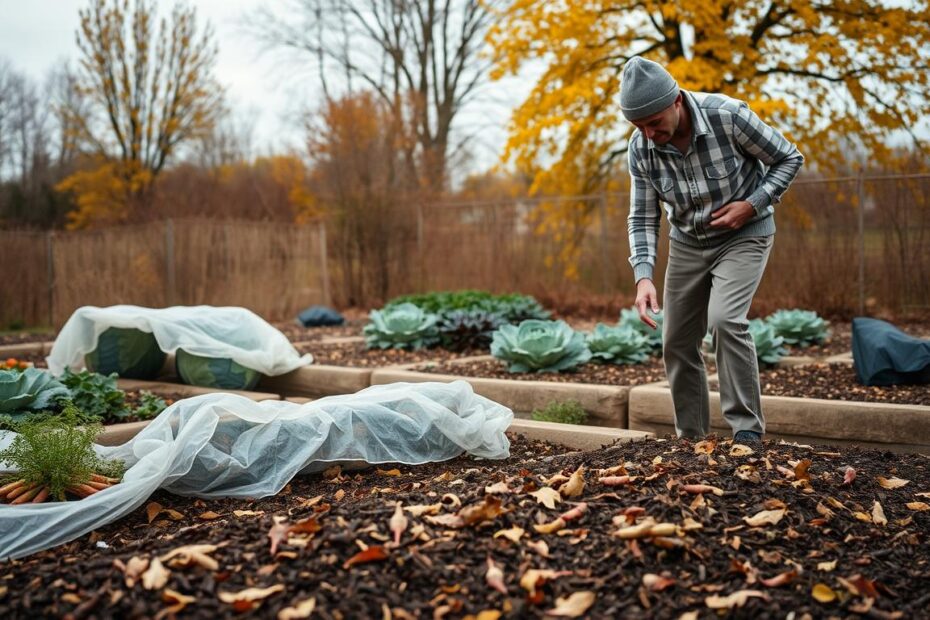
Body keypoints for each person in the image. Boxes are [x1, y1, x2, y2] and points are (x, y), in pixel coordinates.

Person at [622, 56, 804, 443]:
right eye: (639, 126)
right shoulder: (640, 148)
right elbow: (642, 216)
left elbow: (789, 158)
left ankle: (747, 431)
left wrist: (753, 203)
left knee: (725, 320)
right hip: (688, 242)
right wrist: (643, 277)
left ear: (676, 102)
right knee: (675, 340)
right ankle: (691, 437)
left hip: (745, 234)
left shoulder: (728, 116)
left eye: (654, 123)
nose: (649, 134)